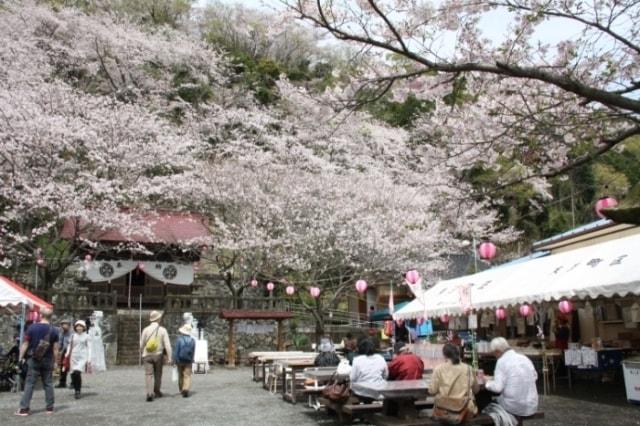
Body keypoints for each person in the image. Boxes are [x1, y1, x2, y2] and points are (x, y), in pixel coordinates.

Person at [15, 307, 60, 416]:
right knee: (48, 383)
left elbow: (25, 344)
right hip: (48, 359)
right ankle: (49, 408)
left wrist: (20, 357)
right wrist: (56, 362)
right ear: (51, 317)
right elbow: (55, 348)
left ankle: (24, 408)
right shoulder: (54, 330)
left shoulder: (32, 328)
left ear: (40, 315)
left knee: (30, 383)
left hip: (34, 358)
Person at [483, 337, 538, 425]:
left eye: (494, 353)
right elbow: (534, 376)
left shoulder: (501, 361)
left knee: (486, 407)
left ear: (497, 351)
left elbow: (497, 388)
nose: (494, 356)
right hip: (531, 404)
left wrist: (486, 382)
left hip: (514, 406)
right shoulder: (524, 358)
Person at [429, 343, 479, 418]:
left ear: (444, 355)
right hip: (466, 410)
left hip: (444, 410)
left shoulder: (438, 369)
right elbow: (476, 390)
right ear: (458, 353)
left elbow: (432, 391)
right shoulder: (468, 368)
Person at [140, 310, 172, 402]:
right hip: (158, 355)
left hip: (147, 354)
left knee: (148, 374)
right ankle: (157, 391)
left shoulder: (145, 329)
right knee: (158, 374)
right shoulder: (163, 330)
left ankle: (149, 393)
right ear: (158, 319)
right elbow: (167, 345)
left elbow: (141, 344)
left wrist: (142, 352)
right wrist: (169, 357)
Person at [65, 320, 92, 399]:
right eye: (77, 326)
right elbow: (70, 345)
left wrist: (89, 358)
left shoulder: (87, 336)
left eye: (80, 326)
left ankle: (78, 391)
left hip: (82, 356)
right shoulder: (73, 336)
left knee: (77, 372)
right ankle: (75, 386)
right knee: (73, 373)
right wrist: (67, 353)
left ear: (83, 327)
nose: (79, 328)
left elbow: (89, 347)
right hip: (73, 356)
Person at [173, 324, 195, 397]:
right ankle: (186, 389)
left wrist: (175, 360)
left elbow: (176, 351)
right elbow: (193, 352)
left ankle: (181, 389)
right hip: (188, 360)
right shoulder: (192, 341)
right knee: (187, 375)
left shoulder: (179, 340)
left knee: (180, 375)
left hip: (180, 360)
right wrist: (192, 360)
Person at [56, 318, 72, 389]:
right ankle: (62, 382)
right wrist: (58, 350)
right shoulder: (61, 333)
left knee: (71, 368)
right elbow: (60, 342)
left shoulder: (72, 333)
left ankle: (73, 382)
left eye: (65, 324)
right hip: (63, 351)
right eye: (62, 324)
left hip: (70, 352)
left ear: (69, 325)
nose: (63, 326)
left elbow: (69, 343)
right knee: (62, 367)